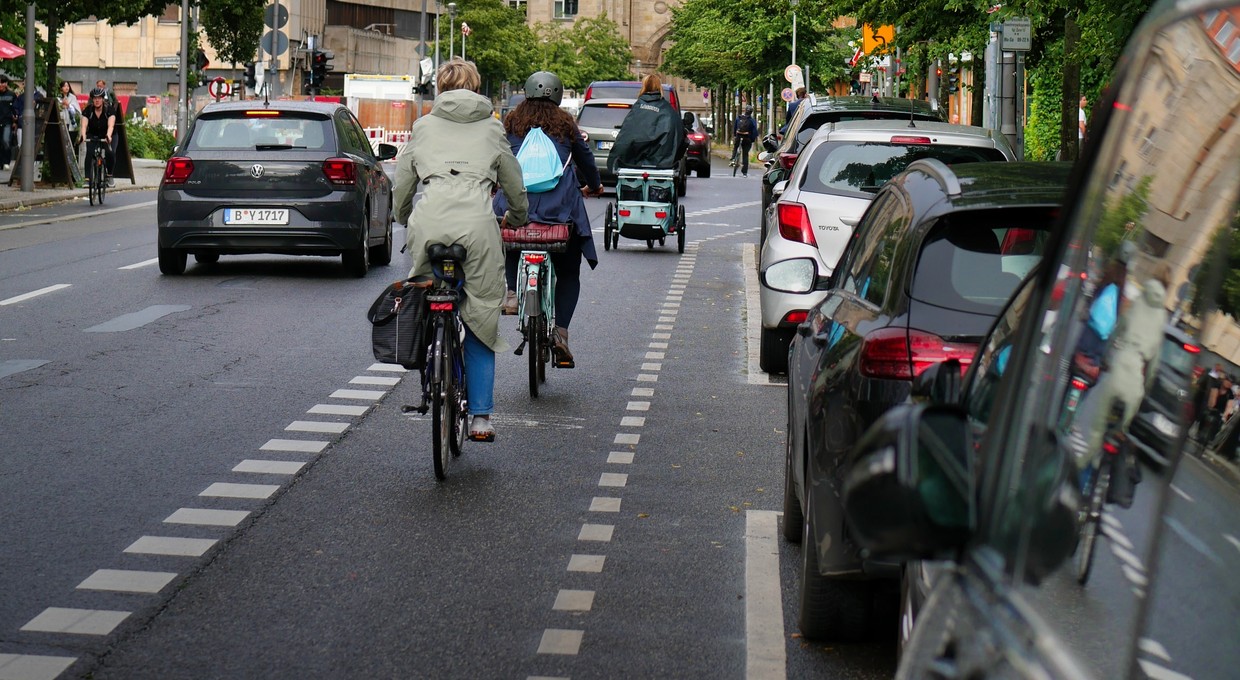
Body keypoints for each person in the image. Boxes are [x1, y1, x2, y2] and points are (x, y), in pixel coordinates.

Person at [393, 58, 528, 442]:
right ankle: (481, 418)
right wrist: (517, 217)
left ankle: (431, 363)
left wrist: (405, 217)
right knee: (482, 319)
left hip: (430, 222)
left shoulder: (422, 126)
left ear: (440, 88)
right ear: (476, 87)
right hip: (478, 227)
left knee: (423, 297)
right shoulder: (491, 127)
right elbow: (513, 181)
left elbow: (404, 182)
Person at [493, 70, 604, 368]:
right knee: (569, 271)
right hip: (559, 213)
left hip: (517, 208)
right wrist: (593, 185)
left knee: (512, 240)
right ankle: (562, 334)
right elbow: (586, 161)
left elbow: (498, 160)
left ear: (527, 92)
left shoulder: (512, 123)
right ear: (557, 95)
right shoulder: (566, 124)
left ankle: (514, 292)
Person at [606, 73, 686, 175]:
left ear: (644, 87)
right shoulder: (668, 111)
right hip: (663, 166)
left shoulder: (638, 109)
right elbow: (678, 137)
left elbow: (625, 138)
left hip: (634, 165)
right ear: (659, 87)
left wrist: (613, 161)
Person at [79, 87, 116, 186]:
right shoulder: (88, 110)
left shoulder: (109, 110)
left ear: (103, 99)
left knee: (110, 152)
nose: (97, 100)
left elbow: (111, 125)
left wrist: (108, 136)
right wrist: (83, 136)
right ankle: (87, 179)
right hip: (93, 134)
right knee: (90, 152)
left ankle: (109, 176)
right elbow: (84, 125)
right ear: (92, 99)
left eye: (99, 98)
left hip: (107, 134)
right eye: (95, 98)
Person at [731, 104, 758, 177]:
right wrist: (752, 140)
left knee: (735, 147)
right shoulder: (752, 120)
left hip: (739, 136)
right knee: (745, 155)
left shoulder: (738, 118)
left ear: (745, 110)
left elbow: (735, 128)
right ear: (751, 112)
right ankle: (744, 172)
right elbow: (755, 131)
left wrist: (734, 136)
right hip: (747, 138)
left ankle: (733, 159)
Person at [0, 75, 17, 171]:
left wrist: (15, 121)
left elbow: (15, 109)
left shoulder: (11, 95)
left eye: (3, 82)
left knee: (6, 141)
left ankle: (6, 162)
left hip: (7, 122)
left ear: (6, 84)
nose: (1, 84)